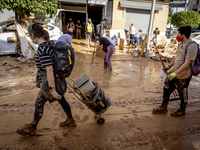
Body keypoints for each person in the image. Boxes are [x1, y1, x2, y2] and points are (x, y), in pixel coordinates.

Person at [16, 23, 76, 136]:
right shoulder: (48, 45)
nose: (29, 36)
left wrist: (51, 88)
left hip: (50, 82)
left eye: (29, 34)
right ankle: (70, 120)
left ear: (32, 35)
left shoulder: (42, 49)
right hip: (56, 80)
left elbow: (49, 70)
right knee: (61, 100)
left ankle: (32, 127)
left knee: (39, 103)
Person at [152, 25, 198, 117]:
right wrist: (169, 66)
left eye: (178, 34)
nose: (177, 36)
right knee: (166, 88)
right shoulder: (180, 44)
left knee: (182, 94)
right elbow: (177, 57)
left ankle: (182, 110)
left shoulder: (192, 46)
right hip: (173, 72)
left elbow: (187, 63)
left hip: (183, 76)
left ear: (183, 35)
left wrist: (175, 74)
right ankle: (163, 107)